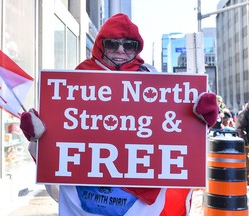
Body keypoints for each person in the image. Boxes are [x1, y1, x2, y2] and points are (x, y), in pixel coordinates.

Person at [20, 13, 218, 216]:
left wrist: (201, 121)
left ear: (137, 48)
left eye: (129, 45)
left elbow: (175, 130)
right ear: (100, 45)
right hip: (84, 194)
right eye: (113, 44)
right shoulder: (78, 77)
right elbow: (59, 135)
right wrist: (38, 134)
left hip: (138, 199)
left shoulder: (155, 80)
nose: (121, 50)